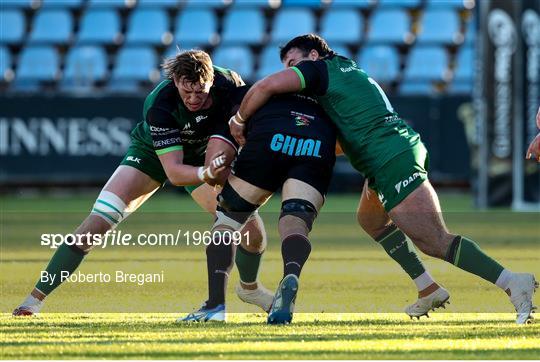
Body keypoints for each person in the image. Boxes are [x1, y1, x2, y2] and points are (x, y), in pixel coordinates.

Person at [229, 34, 538, 324]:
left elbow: (265, 86)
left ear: (313, 55)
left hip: (391, 158)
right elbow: (341, 141)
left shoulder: (320, 70)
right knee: (371, 219)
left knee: (434, 240)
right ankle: (428, 289)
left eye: (293, 64)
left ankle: (512, 282)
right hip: (392, 154)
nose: (291, 74)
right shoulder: (345, 74)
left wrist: (239, 120)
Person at [13, 50, 270, 322]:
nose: (194, 99)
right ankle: (34, 299)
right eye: (187, 93)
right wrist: (207, 172)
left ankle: (250, 289)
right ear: (175, 82)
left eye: (201, 93)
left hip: (204, 153)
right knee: (97, 222)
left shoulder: (229, 83)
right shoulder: (160, 103)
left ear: (212, 81)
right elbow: (175, 173)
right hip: (153, 156)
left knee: (249, 227)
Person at [208, 86, 336, 324]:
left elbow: (229, 132)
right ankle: (291, 273)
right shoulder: (329, 97)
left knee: (227, 221)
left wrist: (214, 171)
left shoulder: (254, 90)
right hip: (315, 143)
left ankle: (214, 306)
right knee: (296, 222)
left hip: (269, 138)